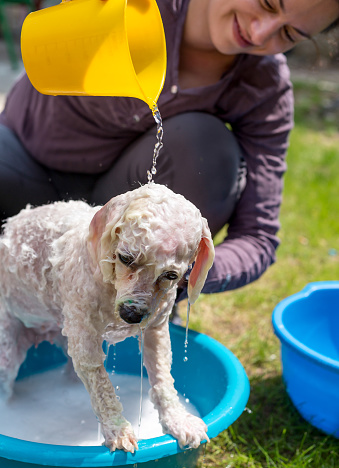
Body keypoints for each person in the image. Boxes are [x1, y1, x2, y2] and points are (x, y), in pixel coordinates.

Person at [0, 0, 338, 301]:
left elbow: (257, 237)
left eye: (290, 34)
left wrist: (174, 275)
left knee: (206, 144)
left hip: (125, 244)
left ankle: (126, 310)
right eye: (266, 4)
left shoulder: (262, 86)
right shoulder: (143, 7)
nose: (261, 34)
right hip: (24, 183)